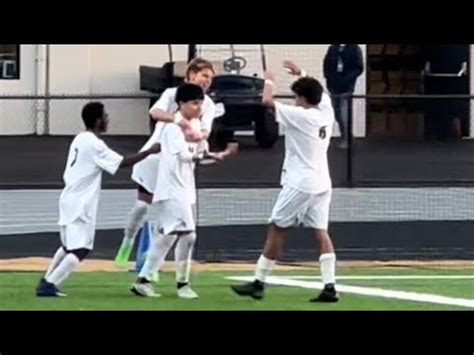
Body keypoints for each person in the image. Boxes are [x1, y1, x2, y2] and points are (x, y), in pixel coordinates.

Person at [230, 61, 339, 302]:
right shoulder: (326, 110)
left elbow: (267, 101)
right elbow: (318, 89)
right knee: (321, 232)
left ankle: (258, 282)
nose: (294, 100)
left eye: (296, 96)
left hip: (301, 181)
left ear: (302, 98)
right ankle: (330, 286)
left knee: (277, 227)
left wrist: (269, 79)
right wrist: (301, 73)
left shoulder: (301, 115)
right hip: (322, 181)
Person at [36, 102, 161, 297]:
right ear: (97, 120)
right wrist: (149, 152)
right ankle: (49, 285)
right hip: (80, 203)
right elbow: (121, 163)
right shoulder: (93, 143)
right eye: (105, 116)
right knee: (81, 249)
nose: (108, 119)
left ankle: (47, 279)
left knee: (68, 246)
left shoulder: (80, 138)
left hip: (69, 198)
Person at [130, 84, 235, 299]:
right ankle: (183, 283)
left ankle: (144, 279)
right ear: (181, 104)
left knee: (168, 237)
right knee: (189, 235)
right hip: (171, 188)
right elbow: (184, 156)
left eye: (200, 103)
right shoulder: (172, 128)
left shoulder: (195, 126)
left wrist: (218, 155)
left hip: (185, 188)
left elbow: (199, 156)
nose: (198, 108)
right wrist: (207, 155)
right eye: (194, 103)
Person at [114, 58, 218, 267]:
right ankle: (127, 241)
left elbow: (204, 131)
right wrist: (180, 120)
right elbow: (155, 112)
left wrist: (201, 143)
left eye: (211, 78)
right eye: (204, 75)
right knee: (142, 206)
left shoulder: (209, 104)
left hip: (179, 165)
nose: (208, 81)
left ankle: (149, 265)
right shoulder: (172, 94)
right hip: (155, 157)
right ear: (191, 74)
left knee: (170, 216)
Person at [323, 44, 363, 148]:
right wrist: (329, 79)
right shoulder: (333, 48)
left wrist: (347, 79)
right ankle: (347, 134)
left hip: (347, 87)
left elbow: (358, 68)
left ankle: (346, 139)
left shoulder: (354, 48)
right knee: (337, 114)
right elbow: (326, 64)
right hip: (333, 86)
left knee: (344, 113)